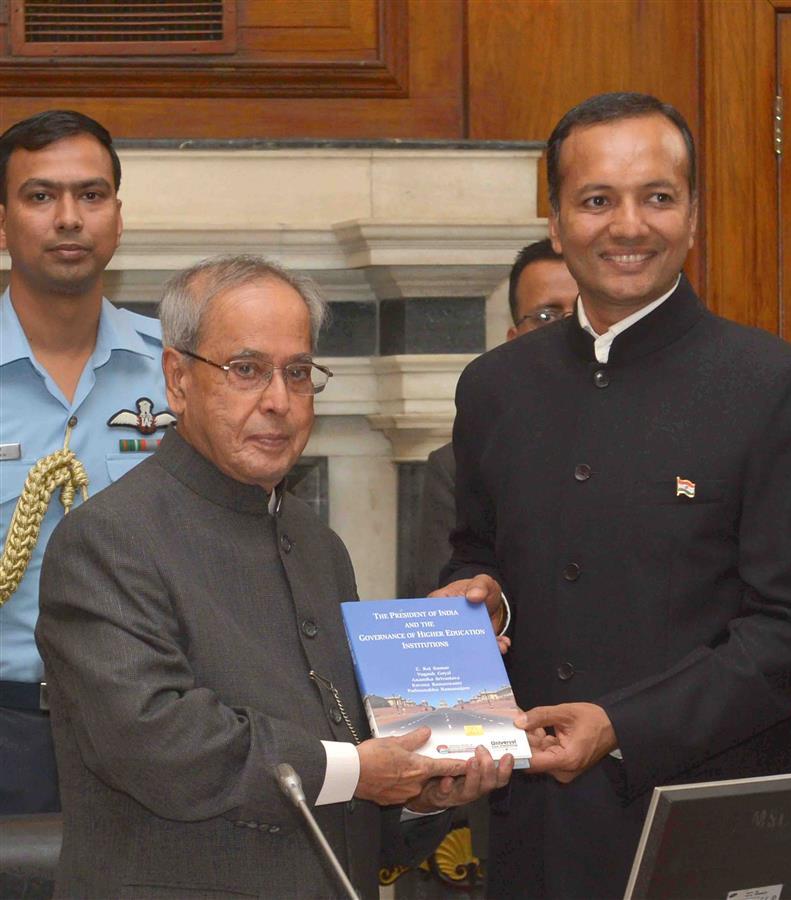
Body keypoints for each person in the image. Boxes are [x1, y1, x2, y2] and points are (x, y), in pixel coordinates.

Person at [443, 92, 791, 899]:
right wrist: (480, 596)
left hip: (706, 829)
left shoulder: (773, 386)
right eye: (597, 200)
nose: (628, 225)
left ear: (693, 217)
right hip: (533, 836)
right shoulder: (494, 387)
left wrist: (625, 725)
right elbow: (477, 550)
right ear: (556, 223)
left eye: (657, 198)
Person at [36, 255, 512, 898]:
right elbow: (158, 743)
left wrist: (421, 791)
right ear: (177, 381)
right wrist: (357, 770)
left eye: (297, 373)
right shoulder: (105, 540)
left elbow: (349, 790)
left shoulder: (321, 548)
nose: (279, 402)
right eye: (247, 370)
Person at [0, 110, 169, 814]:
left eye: (91, 195)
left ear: (118, 217)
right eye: (41, 196)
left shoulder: (183, 369)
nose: (69, 217)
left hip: (157, 722)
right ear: (2, 221)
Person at [413, 239, 577, 596]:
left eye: (581, 314)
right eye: (546, 316)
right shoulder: (454, 465)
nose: (566, 330)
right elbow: (442, 604)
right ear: (513, 339)